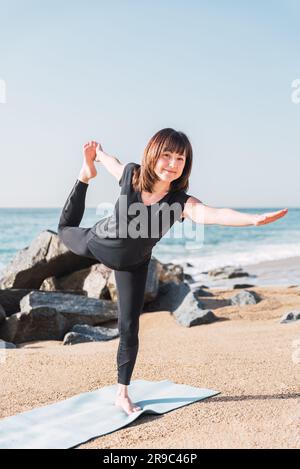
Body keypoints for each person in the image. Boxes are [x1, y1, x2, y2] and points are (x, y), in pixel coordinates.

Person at [57, 128, 288, 415]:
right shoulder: (132, 176)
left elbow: (214, 214)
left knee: (129, 326)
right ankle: (83, 176)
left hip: (134, 264)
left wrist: (252, 220)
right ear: (153, 155)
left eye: (180, 157)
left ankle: (122, 393)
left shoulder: (180, 202)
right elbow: (113, 162)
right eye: (166, 155)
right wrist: (97, 156)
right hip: (97, 242)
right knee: (64, 230)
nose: (173, 163)